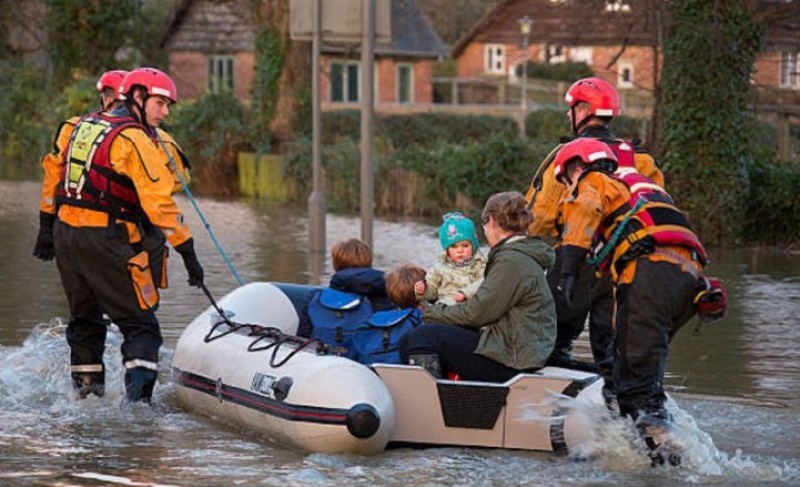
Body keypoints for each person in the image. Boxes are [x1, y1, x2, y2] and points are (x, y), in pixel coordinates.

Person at [551, 138, 721, 452]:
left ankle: (665, 456)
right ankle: (638, 444)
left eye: (566, 179)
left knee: (635, 387)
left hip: (651, 275)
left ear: (577, 166)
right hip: (691, 284)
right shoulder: (643, 188)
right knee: (632, 371)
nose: (567, 187)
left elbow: (584, 209)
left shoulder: (594, 180)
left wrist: (569, 271)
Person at [52, 67, 205, 404]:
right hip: (105, 239)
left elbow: (55, 175)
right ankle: (138, 410)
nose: (165, 112)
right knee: (141, 326)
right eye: (160, 103)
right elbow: (159, 203)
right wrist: (187, 250)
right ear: (137, 97)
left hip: (66, 236)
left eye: (168, 106)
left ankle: (86, 400)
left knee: (85, 320)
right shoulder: (134, 139)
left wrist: (44, 227)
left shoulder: (81, 125)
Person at [523, 76, 665, 375]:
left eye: (571, 108)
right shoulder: (640, 159)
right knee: (610, 351)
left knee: (549, 341)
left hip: (577, 262)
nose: (568, 115)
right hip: (628, 265)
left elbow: (538, 221)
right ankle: (615, 404)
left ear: (585, 110)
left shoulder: (567, 156)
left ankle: (555, 396)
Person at [399, 191, 556, 383]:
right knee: (408, 340)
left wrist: (432, 313)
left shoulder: (512, 261)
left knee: (423, 337)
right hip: (511, 347)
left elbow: (478, 313)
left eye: (483, 225)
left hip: (512, 358)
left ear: (490, 221)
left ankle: (438, 404)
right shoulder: (517, 255)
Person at [33, 69, 128, 262]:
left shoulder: (73, 127)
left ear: (105, 98)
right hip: (116, 232)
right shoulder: (138, 134)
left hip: (70, 229)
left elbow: (52, 178)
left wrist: (46, 227)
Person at [297, 238, 393, 338]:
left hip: (323, 350)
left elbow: (303, 335)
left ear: (335, 265)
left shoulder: (314, 297)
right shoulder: (385, 296)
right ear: (369, 262)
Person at [414, 212, 486, 306]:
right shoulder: (440, 266)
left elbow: (485, 282)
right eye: (454, 246)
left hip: (469, 307)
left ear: (473, 246)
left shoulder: (479, 264)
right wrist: (423, 290)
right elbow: (432, 290)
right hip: (444, 306)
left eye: (465, 246)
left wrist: (466, 293)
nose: (460, 250)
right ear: (447, 250)